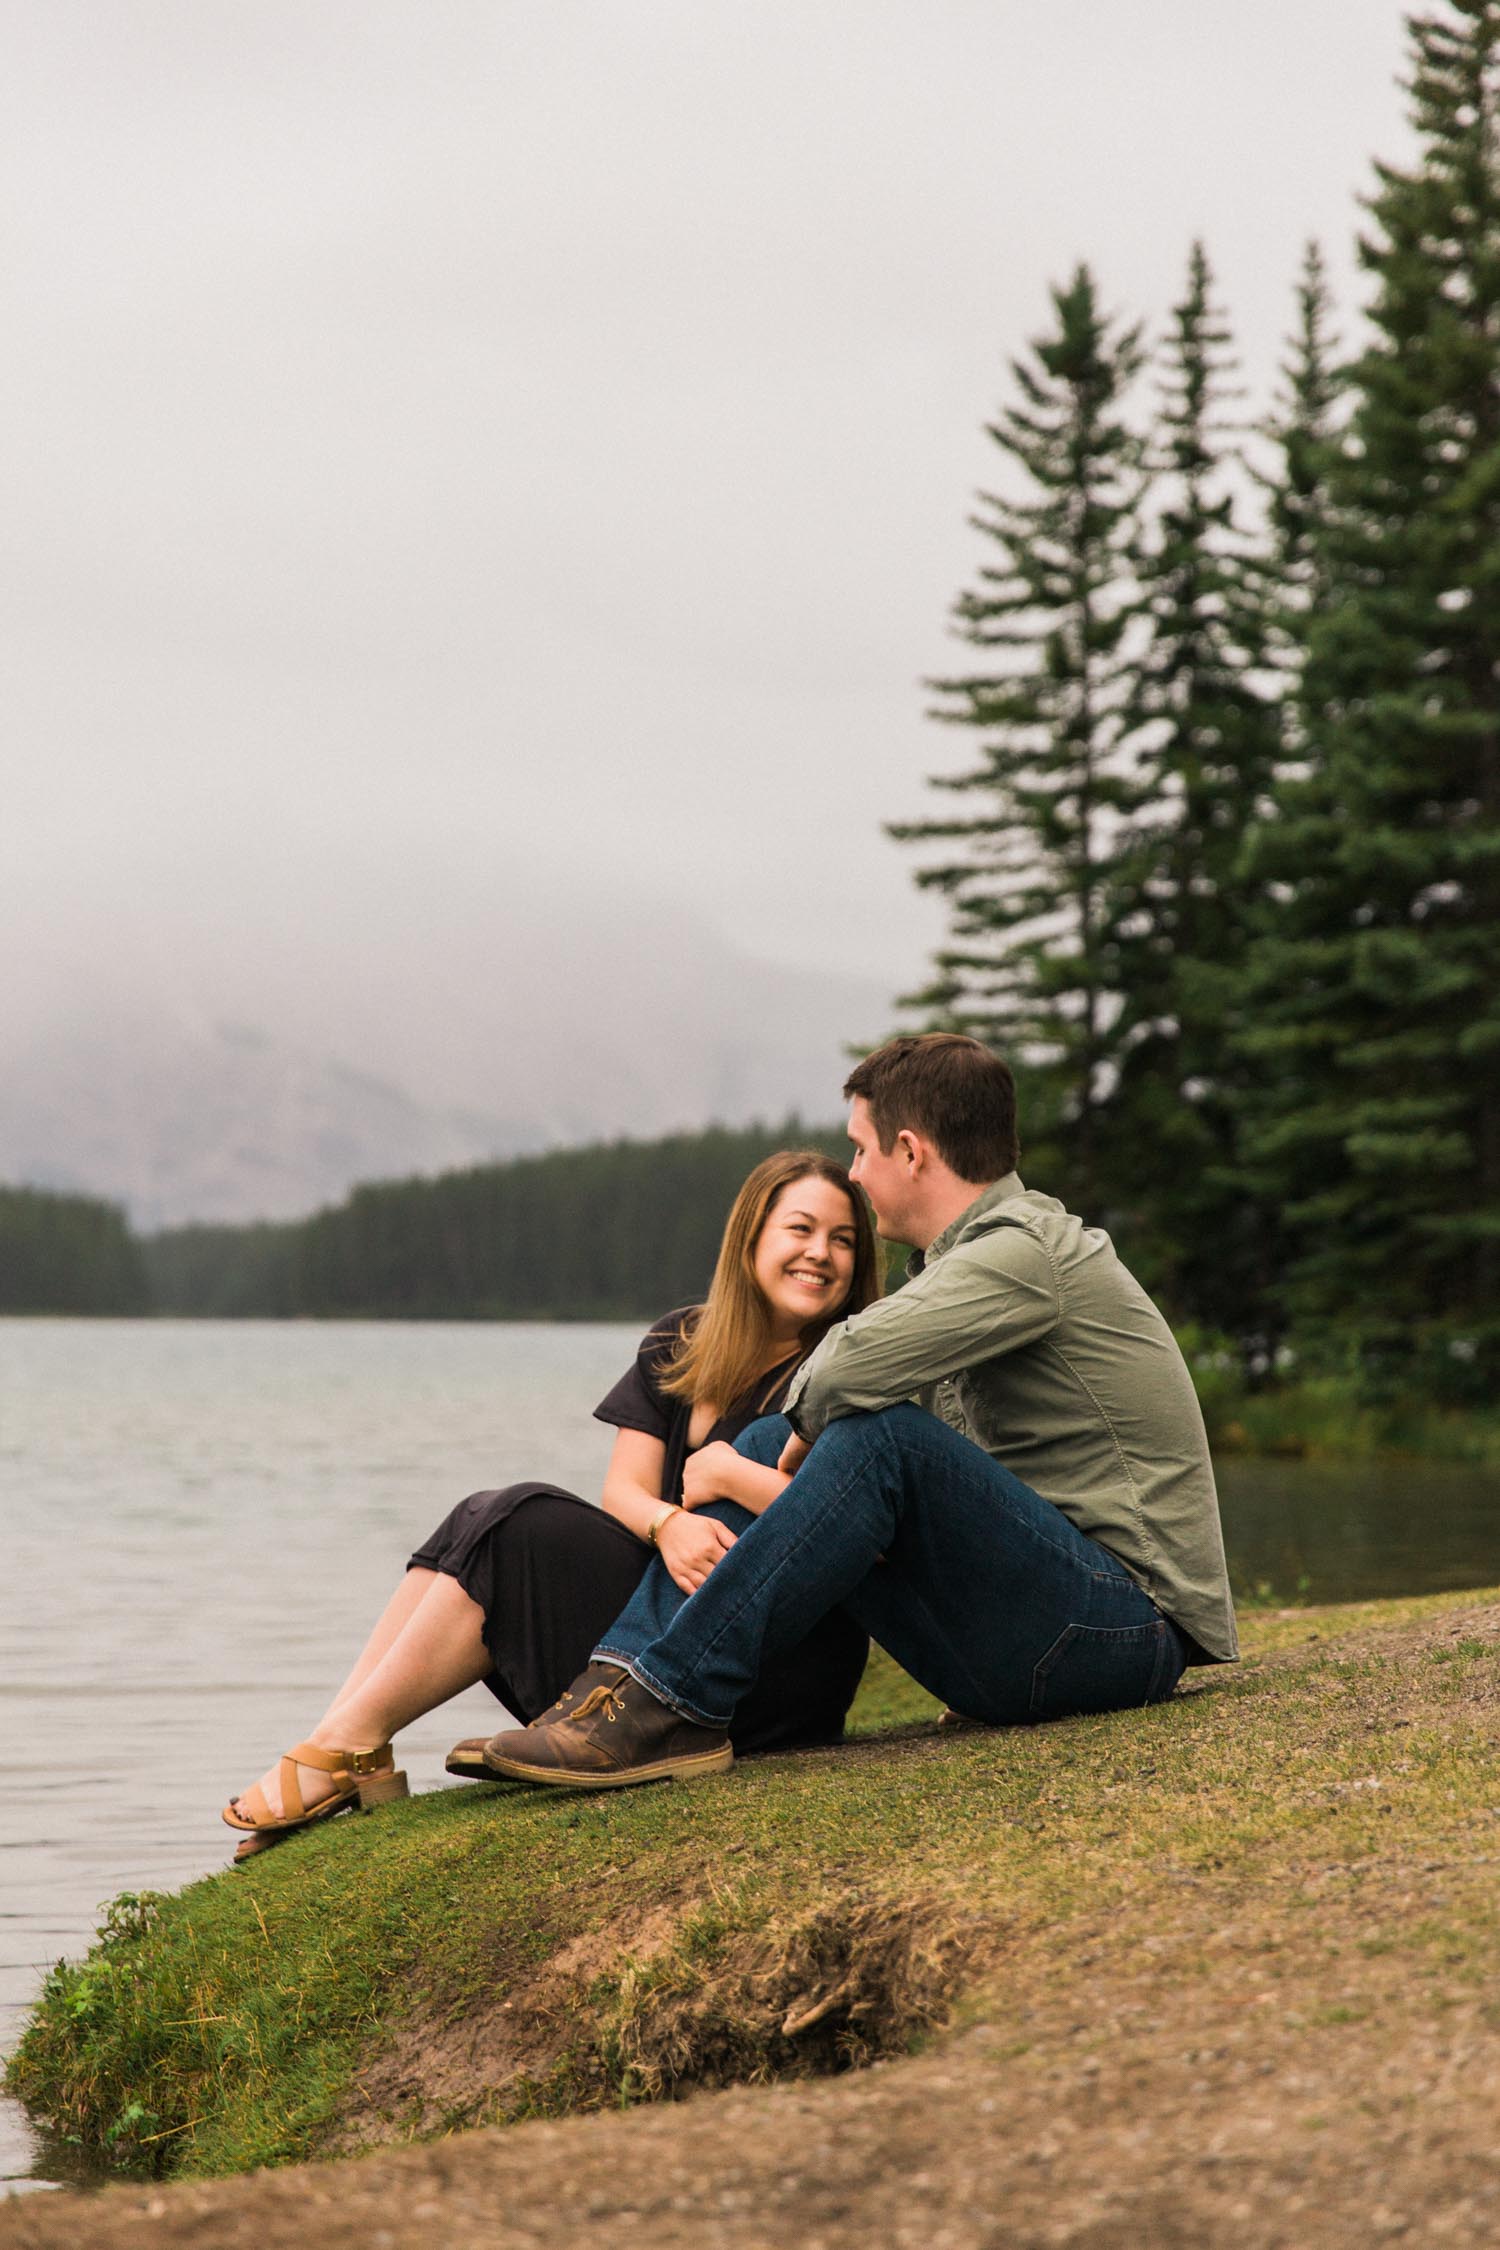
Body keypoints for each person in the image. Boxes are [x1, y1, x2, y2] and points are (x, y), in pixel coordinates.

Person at [471, 1033, 1239, 1790]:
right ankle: (614, 1695)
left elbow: (845, 1364)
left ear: (911, 1152)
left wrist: (774, 1450)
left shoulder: (1025, 1253)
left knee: (871, 1436)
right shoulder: (963, 1271)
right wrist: (783, 1445)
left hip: (1124, 1635)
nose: (855, 1173)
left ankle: (667, 1704)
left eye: (861, 1150)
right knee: (779, 1436)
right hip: (1033, 1640)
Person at [222, 1149, 881, 1856]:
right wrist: (671, 1524)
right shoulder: (680, 1341)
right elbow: (623, 1492)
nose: (821, 1254)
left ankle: (341, 1751)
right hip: (658, 1634)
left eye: (843, 1240)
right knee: (481, 1516)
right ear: (750, 1237)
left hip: (768, 1671)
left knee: (517, 1521)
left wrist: (727, 1474)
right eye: (801, 1230)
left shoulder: (848, 1369)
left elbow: (850, 1519)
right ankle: (346, 1741)